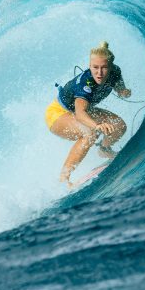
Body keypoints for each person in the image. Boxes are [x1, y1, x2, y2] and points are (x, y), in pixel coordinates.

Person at [46, 41, 132, 188]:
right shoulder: (86, 83)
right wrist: (98, 125)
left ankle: (104, 149)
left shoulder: (115, 72)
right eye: (95, 68)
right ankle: (63, 179)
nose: (99, 73)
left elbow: (121, 90)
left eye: (104, 68)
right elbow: (80, 114)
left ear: (111, 66)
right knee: (89, 133)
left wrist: (124, 92)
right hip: (58, 114)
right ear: (90, 66)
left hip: (81, 111)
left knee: (118, 125)